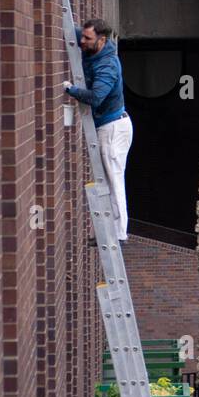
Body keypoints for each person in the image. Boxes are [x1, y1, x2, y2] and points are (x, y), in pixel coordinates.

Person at [64, 18, 132, 243]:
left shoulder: (107, 66)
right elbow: (70, 30)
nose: (82, 41)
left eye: (87, 38)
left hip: (113, 128)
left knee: (114, 180)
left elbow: (95, 97)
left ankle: (119, 234)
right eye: (82, 36)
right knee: (109, 180)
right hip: (108, 125)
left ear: (101, 40)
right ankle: (112, 232)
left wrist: (70, 89)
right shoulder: (95, 49)